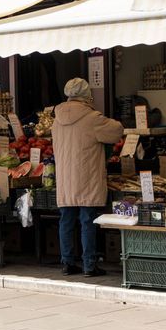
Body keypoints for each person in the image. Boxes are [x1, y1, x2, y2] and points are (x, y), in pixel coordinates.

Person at [52, 78, 124, 277]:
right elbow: (116, 130)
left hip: (65, 177)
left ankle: (67, 263)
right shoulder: (92, 117)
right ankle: (89, 265)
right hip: (86, 176)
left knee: (66, 220)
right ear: (86, 95)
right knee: (87, 220)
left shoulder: (56, 118)